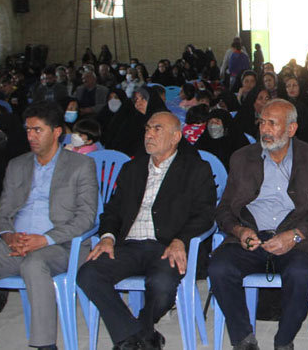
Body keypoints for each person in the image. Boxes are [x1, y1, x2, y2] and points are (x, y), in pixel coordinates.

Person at [0, 101, 98, 350]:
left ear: (56, 132)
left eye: (37, 130)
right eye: (28, 130)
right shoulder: (17, 165)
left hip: (60, 246)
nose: (31, 136)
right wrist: (8, 236)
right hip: (16, 244)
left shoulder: (81, 165)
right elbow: (2, 213)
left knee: (34, 263)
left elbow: (86, 218)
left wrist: (44, 239)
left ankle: (44, 345)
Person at [76, 112, 217, 350]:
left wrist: (181, 240)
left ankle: (136, 333)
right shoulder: (132, 168)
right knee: (88, 274)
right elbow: (112, 210)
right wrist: (108, 237)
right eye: (147, 129)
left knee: (162, 287)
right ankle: (137, 336)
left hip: (166, 246)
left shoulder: (195, 169)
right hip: (129, 245)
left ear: (175, 137)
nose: (149, 134)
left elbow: (205, 214)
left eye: (157, 129)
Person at [208, 99, 308, 350]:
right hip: (251, 236)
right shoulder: (242, 158)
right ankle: (243, 339)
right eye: (262, 123)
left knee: (300, 274)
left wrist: (297, 235)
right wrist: (239, 230)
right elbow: (223, 209)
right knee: (219, 268)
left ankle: (284, 341)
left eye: (272, 123)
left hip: (294, 238)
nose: (264, 129)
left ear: (291, 129)